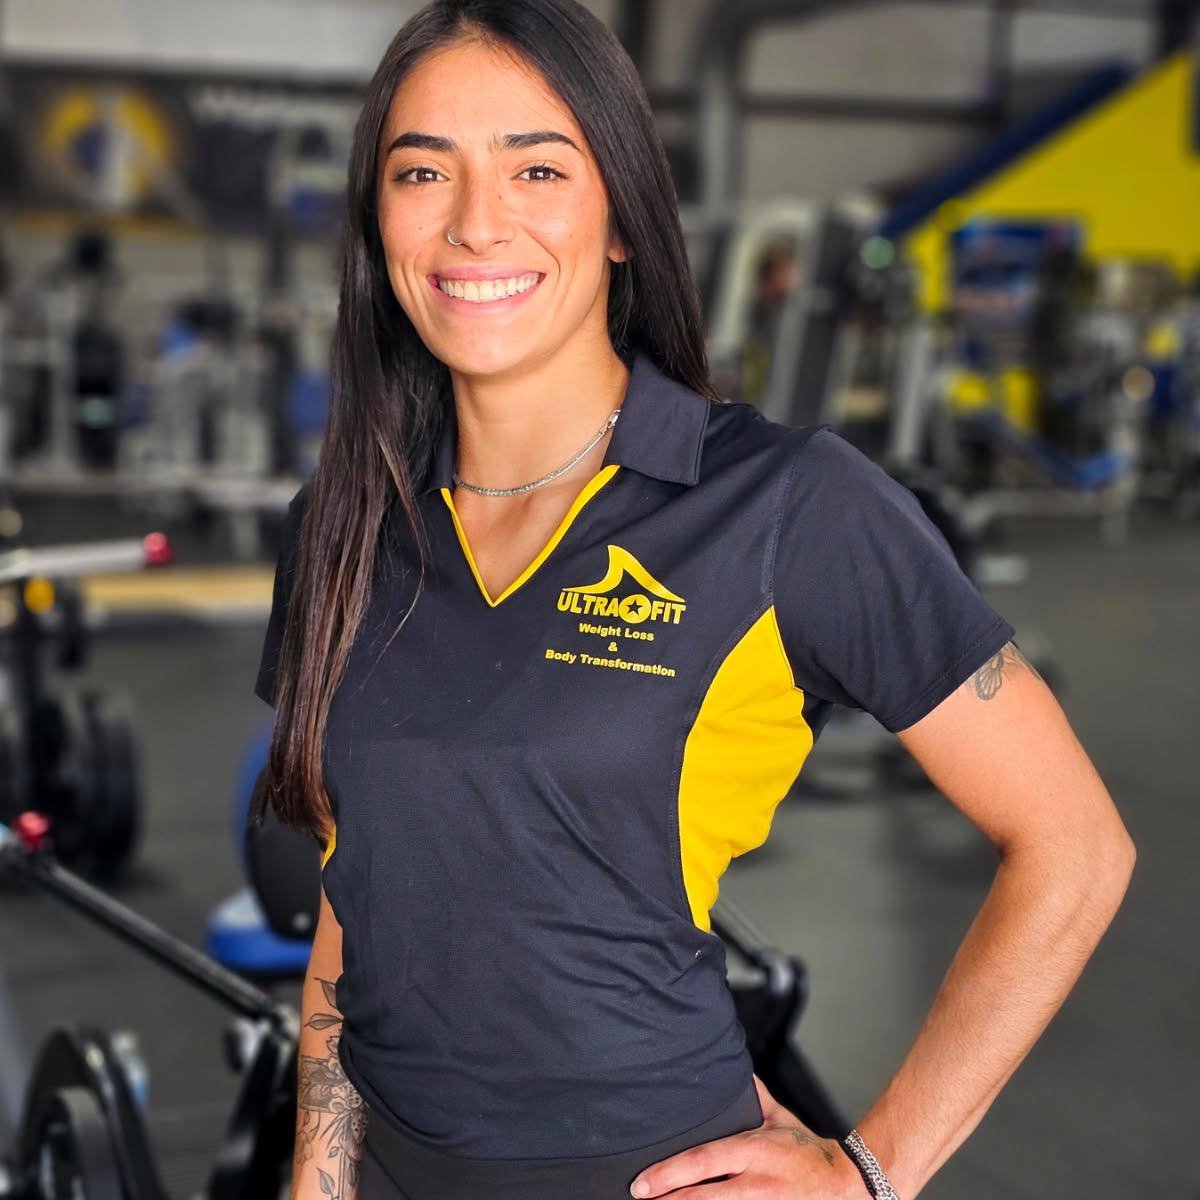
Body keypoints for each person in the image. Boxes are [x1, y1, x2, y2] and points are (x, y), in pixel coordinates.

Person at [252, 3, 1136, 1198]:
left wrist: (871, 1170)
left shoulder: (786, 506)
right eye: (423, 171)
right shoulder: (346, 523)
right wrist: (316, 1177)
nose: (474, 221)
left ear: (622, 216)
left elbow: (1075, 844)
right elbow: (352, 896)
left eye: (537, 168)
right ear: (378, 219)